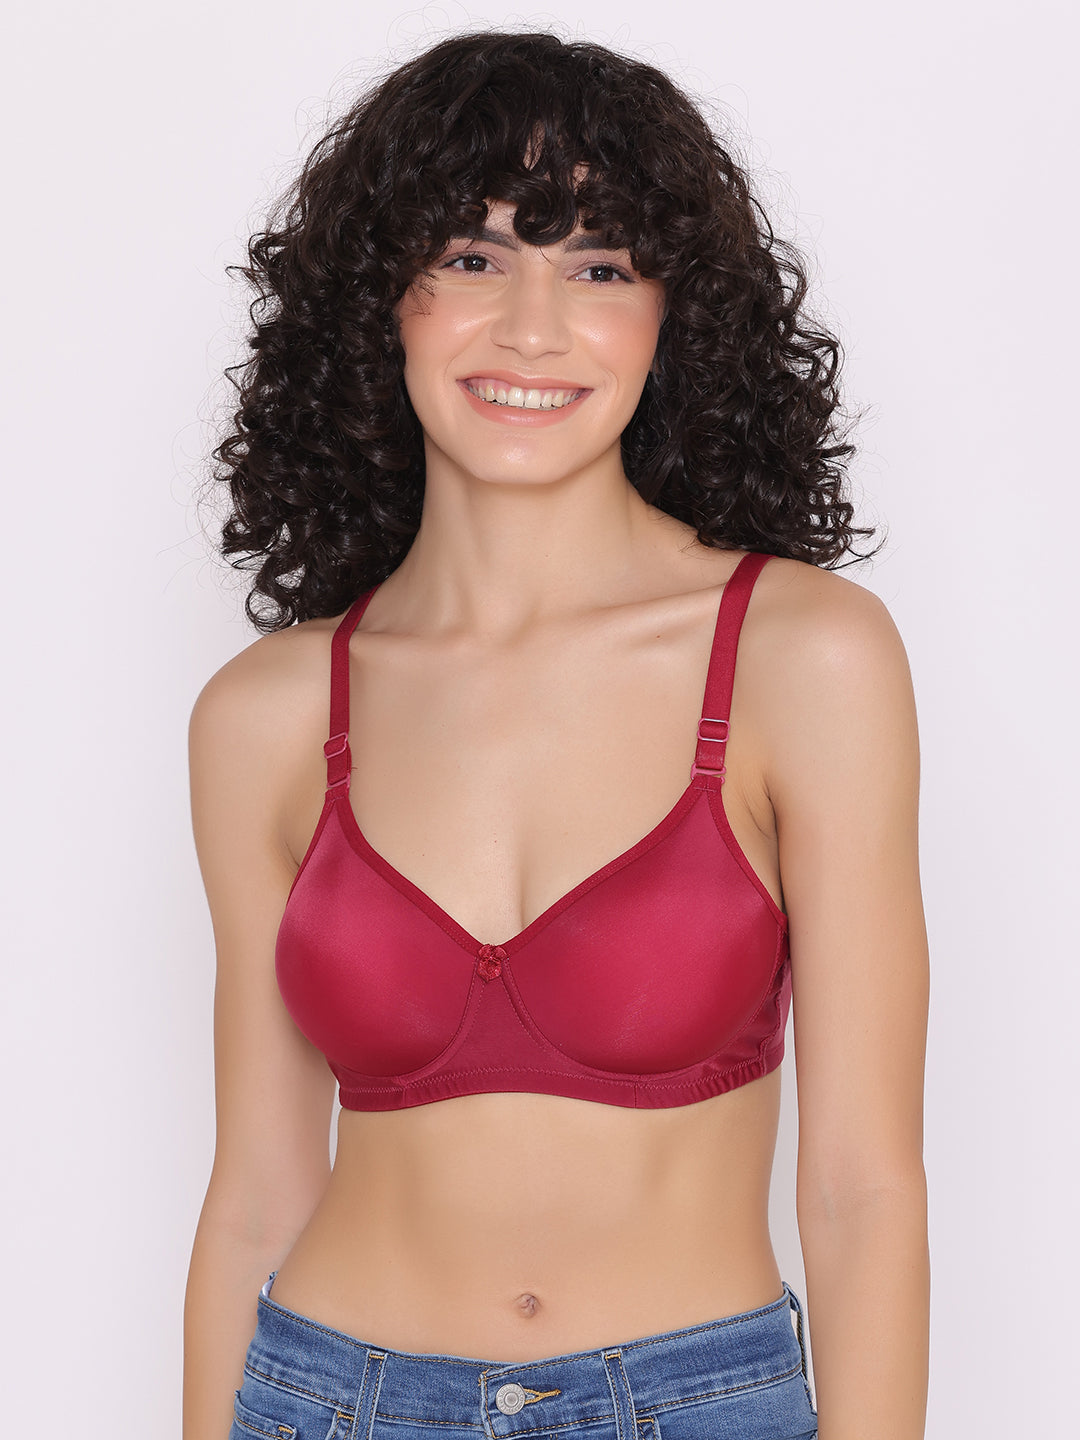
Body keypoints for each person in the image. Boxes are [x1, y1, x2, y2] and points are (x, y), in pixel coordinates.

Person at [183, 29, 930, 1440]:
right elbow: (255, 1202)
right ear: (378, 300)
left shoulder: (802, 657)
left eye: (598, 268)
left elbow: (863, 1192)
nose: (532, 329)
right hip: (328, 1400)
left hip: (692, 1406)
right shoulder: (266, 715)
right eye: (472, 257)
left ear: (673, 317)